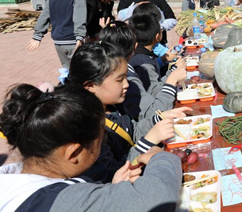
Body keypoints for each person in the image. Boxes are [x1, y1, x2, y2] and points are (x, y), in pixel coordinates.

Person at [0, 84, 184, 212]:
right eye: (100, 140)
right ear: (73, 153)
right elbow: (160, 196)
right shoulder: (62, 210)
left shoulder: (16, 195)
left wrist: (110, 191)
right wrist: (162, 158)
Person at [68, 42, 189, 181]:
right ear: (90, 86)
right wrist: (150, 140)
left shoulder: (112, 106)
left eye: (126, 77)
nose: (127, 84)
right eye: (120, 80)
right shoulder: (89, 132)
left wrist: (157, 119)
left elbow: (132, 131)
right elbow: (116, 175)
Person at [99, 22, 185, 121]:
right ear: (135, 46)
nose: (125, 84)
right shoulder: (128, 78)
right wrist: (172, 77)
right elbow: (154, 111)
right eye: (120, 80)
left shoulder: (116, 69)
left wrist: (162, 61)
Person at [27, 0, 86, 69]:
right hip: (73, 42)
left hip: (58, 42)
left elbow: (44, 17)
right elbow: (79, 20)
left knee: (67, 71)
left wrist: (37, 36)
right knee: (80, 72)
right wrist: (80, 37)